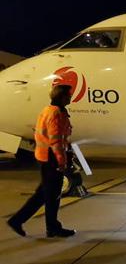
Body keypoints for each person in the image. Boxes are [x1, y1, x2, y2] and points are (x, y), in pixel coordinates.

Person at [7, 85, 76, 238]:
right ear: (62, 97)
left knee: (44, 194)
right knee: (52, 196)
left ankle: (19, 221)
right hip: (51, 157)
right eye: (68, 95)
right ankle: (51, 227)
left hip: (46, 156)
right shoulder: (55, 113)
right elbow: (55, 140)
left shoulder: (51, 110)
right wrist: (61, 160)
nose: (71, 98)